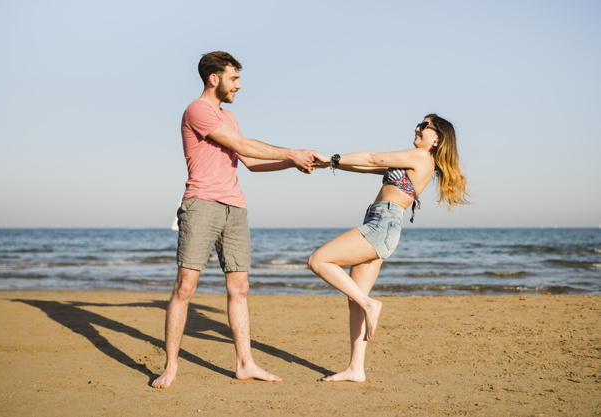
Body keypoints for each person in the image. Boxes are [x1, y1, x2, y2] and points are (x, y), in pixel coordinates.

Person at [152, 51, 316, 389]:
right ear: (214, 79)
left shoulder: (230, 118)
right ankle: (170, 366)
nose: (239, 86)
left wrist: (296, 162)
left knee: (239, 287)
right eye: (234, 78)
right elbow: (241, 144)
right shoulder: (197, 110)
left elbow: (250, 161)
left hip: (235, 208)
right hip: (201, 205)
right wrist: (290, 152)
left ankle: (245, 363)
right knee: (185, 286)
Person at [308, 114, 469, 382]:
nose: (417, 127)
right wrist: (329, 165)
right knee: (354, 299)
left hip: (382, 224)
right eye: (419, 123)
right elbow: (368, 167)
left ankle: (370, 304)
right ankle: (356, 369)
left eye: (424, 126)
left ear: (437, 137)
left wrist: (331, 158)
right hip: (381, 223)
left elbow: (372, 157)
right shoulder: (414, 160)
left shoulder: (421, 157)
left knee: (319, 260)